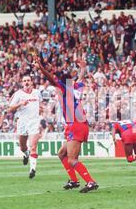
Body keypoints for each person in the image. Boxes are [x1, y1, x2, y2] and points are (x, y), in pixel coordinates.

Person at [35, 56, 99, 193]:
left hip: (75, 124)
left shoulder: (64, 89)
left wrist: (41, 67)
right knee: (61, 153)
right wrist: (83, 67)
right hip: (77, 124)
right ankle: (74, 181)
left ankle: (90, 182)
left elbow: (51, 78)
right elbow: (80, 78)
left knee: (72, 160)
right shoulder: (75, 87)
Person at [9, 75, 42, 178]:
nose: (26, 82)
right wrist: (20, 104)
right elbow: (10, 108)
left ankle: (32, 169)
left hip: (34, 122)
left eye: (28, 80)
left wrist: (42, 110)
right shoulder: (18, 94)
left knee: (33, 147)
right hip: (22, 122)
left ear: (31, 82)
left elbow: (39, 104)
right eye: (24, 81)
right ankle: (26, 154)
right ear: (22, 83)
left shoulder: (37, 92)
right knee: (23, 147)